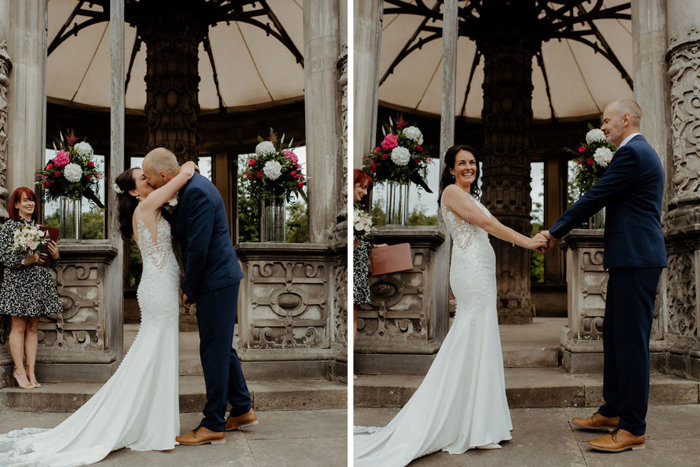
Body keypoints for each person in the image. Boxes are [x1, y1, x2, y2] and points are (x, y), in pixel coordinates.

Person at [354, 145, 548, 466]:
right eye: (462, 163)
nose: (469, 167)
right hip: (471, 271)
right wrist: (527, 242)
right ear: (451, 169)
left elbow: (489, 223)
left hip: (481, 270)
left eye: (472, 162)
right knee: (470, 337)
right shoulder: (452, 192)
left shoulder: (469, 195)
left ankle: (481, 422)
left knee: (480, 339)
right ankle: (469, 423)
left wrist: (527, 239)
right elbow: (488, 226)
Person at [0, 162, 197, 466]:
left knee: (158, 354)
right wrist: (186, 167)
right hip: (158, 288)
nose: (148, 180)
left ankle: (155, 423)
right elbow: (181, 177)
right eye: (142, 178)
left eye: (147, 176)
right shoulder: (145, 207)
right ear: (133, 190)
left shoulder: (152, 205)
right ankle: (152, 426)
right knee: (152, 353)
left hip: (163, 285)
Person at [540, 99, 666, 453]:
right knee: (614, 336)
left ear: (626, 119)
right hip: (631, 258)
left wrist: (555, 231)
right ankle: (612, 410)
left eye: (606, 121)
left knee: (631, 343)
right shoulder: (635, 152)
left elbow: (595, 196)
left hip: (637, 259)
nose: (602, 127)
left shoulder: (633, 153)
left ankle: (632, 426)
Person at [142, 148, 255, 446]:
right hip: (218, 280)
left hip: (216, 280)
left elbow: (198, 248)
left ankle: (213, 422)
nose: (152, 185)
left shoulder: (197, 193)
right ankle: (242, 408)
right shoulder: (189, 187)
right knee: (221, 348)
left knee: (213, 353)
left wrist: (188, 288)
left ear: (164, 176)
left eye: (152, 180)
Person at [0, 187, 61, 390]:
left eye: (32, 200)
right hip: (18, 282)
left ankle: (31, 370)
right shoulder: (9, 227)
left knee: (33, 327)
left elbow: (43, 261)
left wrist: (54, 257)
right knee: (18, 327)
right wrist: (25, 261)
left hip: (37, 282)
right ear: (16, 204)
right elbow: (3, 257)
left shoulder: (39, 228)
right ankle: (18, 370)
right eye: (25, 200)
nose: (29, 203)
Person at [352, 168, 386, 380]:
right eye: (361, 186)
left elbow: (359, 240)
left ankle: (350, 366)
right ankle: (347, 366)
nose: (364, 192)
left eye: (366, 189)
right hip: (350, 267)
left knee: (354, 317)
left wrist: (374, 245)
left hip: (359, 267)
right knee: (349, 317)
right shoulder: (347, 211)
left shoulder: (358, 212)